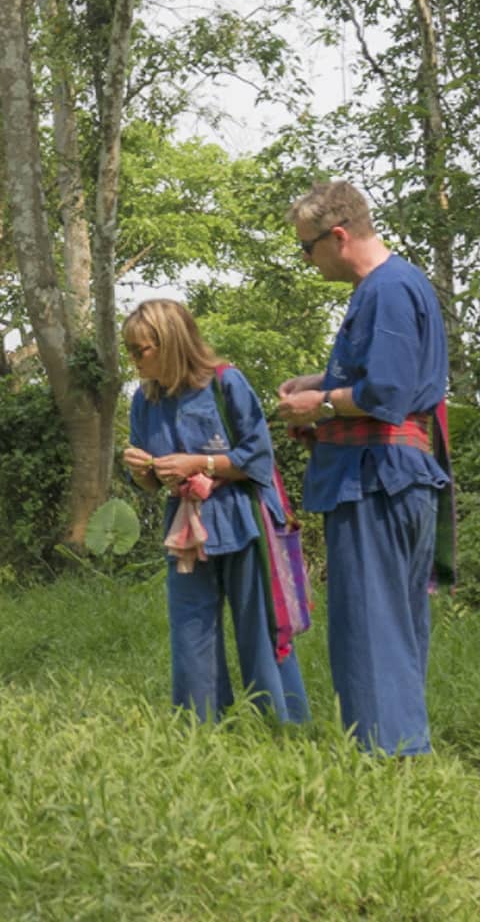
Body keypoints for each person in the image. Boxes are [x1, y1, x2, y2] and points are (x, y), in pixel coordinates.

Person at [278, 179, 451, 756]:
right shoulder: (393, 286)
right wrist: (319, 385)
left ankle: (391, 756)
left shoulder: (388, 289)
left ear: (339, 236)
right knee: (391, 621)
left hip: (378, 476)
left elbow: (389, 391)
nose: (307, 260)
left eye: (308, 248)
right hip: (394, 473)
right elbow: (377, 381)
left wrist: (318, 405)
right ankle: (397, 746)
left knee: (372, 622)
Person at [122, 299, 310, 726]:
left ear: (170, 343)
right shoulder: (143, 401)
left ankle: (281, 726)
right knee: (190, 631)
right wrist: (142, 472)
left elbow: (258, 459)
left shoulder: (225, 384)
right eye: (129, 350)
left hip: (244, 521)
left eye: (140, 349)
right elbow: (150, 484)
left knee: (259, 628)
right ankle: (201, 728)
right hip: (185, 529)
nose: (132, 359)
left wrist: (199, 463)